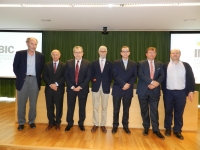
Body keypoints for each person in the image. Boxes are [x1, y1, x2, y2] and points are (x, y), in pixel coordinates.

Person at [161, 49, 195, 140]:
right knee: (168, 111)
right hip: (168, 92)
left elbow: (191, 78)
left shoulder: (186, 65)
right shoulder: (165, 65)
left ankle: (177, 130)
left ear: (180, 54)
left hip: (181, 92)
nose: (175, 54)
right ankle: (168, 128)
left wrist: (191, 91)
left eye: (177, 53)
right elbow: (161, 78)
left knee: (179, 112)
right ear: (170, 55)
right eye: (173, 53)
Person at [13, 37, 45, 131]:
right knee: (21, 103)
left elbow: (41, 68)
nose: (33, 46)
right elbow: (15, 67)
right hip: (23, 80)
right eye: (31, 44)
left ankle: (31, 121)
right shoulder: (20, 54)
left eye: (35, 44)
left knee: (33, 103)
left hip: (35, 80)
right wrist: (20, 77)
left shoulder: (41, 56)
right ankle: (21, 122)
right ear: (27, 43)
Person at [137, 47, 165, 139]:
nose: (152, 54)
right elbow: (141, 75)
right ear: (146, 54)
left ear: (156, 54)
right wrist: (152, 82)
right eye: (150, 52)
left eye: (153, 52)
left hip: (155, 90)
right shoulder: (141, 63)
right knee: (144, 110)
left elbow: (162, 75)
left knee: (154, 111)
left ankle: (156, 129)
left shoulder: (160, 64)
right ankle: (146, 127)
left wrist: (156, 84)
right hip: (143, 90)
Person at [111, 46, 137, 134]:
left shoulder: (133, 63)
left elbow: (134, 76)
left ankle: (125, 126)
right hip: (118, 89)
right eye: (123, 51)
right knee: (116, 109)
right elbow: (115, 75)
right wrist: (123, 84)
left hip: (128, 90)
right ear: (121, 53)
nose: (125, 53)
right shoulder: (116, 62)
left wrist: (128, 84)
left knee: (126, 110)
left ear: (129, 53)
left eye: (127, 51)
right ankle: (115, 126)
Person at [65, 46, 91, 131]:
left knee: (82, 107)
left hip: (82, 90)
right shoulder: (68, 63)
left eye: (79, 52)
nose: (78, 54)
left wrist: (80, 86)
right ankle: (69, 123)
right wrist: (72, 86)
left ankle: (81, 124)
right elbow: (66, 76)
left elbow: (88, 77)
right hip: (71, 89)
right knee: (70, 107)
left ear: (83, 53)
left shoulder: (87, 63)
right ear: (73, 54)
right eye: (76, 52)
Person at [91, 46, 113, 133]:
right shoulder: (94, 63)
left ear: (106, 52)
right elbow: (91, 74)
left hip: (106, 87)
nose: (103, 52)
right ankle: (96, 124)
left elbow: (111, 75)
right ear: (98, 52)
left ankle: (103, 124)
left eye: (104, 51)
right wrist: (94, 80)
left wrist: (107, 81)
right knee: (95, 107)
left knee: (104, 107)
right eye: (101, 51)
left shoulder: (110, 63)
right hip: (96, 87)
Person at [43, 49, 66, 131]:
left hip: (59, 90)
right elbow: (44, 76)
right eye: (53, 54)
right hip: (49, 90)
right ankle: (50, 123)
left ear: (59, 56)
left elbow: (64, 77)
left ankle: (57, 123)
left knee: (59, 107)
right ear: (51, 56)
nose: (55, 56)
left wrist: (56, 84)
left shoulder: (64, 65)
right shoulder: (47, 64)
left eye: (56, 54)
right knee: (49, 107)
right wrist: (51, 85)